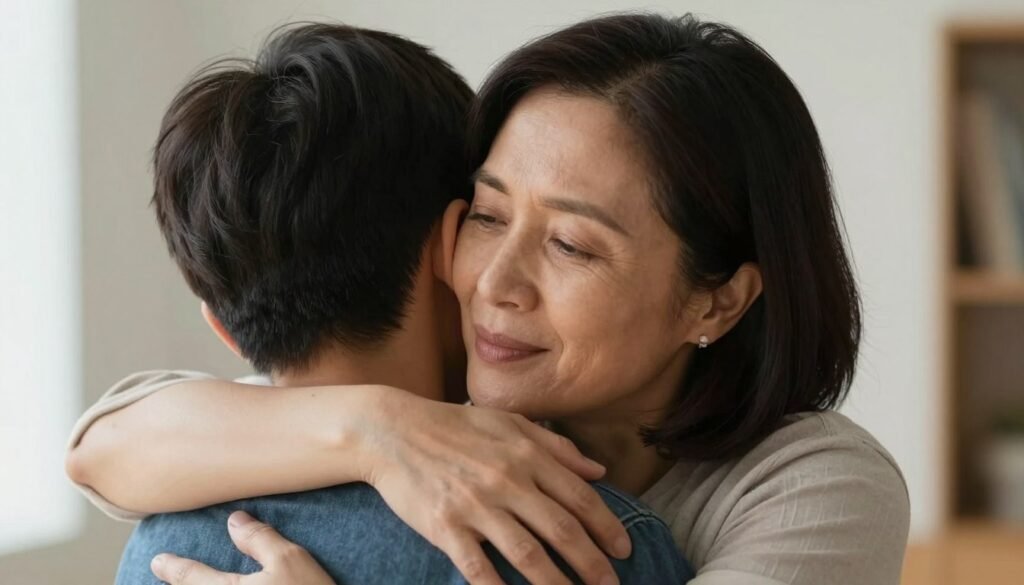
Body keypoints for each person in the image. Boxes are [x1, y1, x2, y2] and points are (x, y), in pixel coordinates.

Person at [67, 13, 911, 585]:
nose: (494, 284)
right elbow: (106, 446)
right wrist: (380, 431)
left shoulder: (812, 486)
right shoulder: (414, 415)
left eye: (573, 244)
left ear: (716, 302)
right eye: (488, 215)